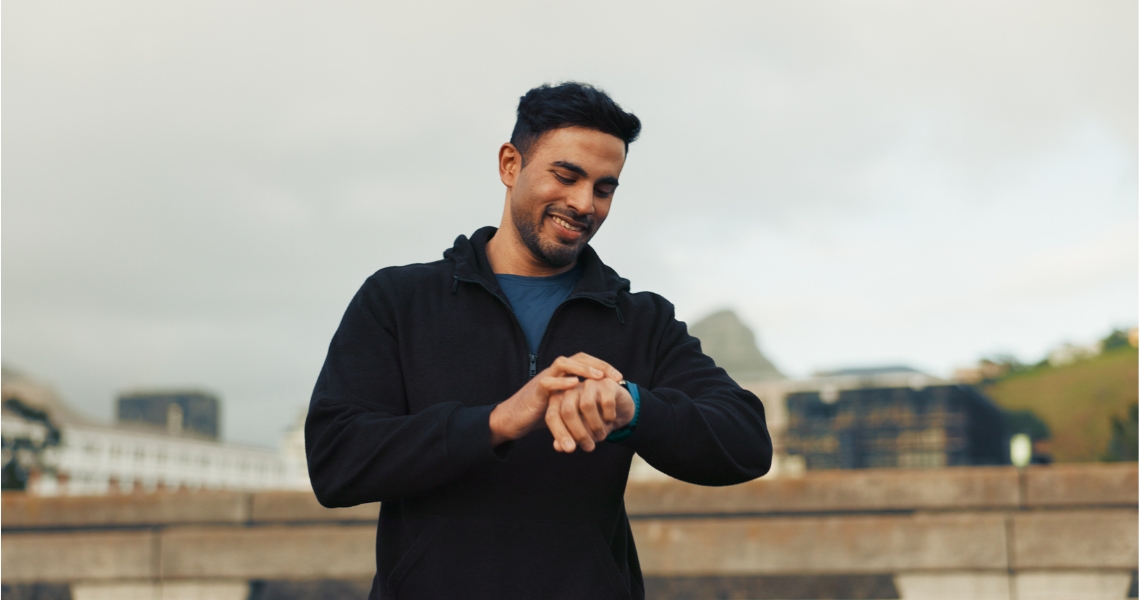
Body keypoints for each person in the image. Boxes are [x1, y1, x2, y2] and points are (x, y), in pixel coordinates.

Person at [306, 82, 772, 600]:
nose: (583, 203)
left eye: (604, 189)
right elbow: (335, 460)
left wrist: (632, 409)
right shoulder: (398, 299)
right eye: (566, 176)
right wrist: (497, 422)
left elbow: (747, 442)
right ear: (510, 165)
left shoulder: (641, 320)